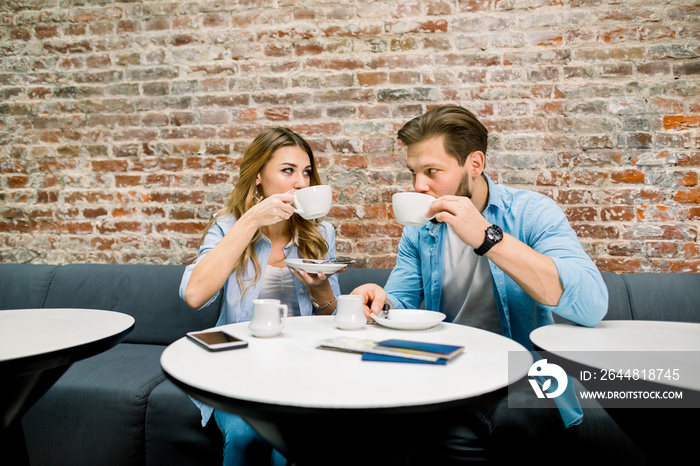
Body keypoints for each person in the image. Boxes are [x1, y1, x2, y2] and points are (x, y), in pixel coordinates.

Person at [351, 105, 622, 464]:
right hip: (445, 367)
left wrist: (487, 238)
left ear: (474, 164)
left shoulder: (533, 213)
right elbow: (402, 300)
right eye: (414, 172)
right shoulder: (420, 230)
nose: (419, 186)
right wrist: (380, 300)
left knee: (528, 422)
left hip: (522, 370)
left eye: (432, 171)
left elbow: (590, 305)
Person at [179, 127, 342, 466]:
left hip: (302, 366)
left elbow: (332, 320)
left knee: (291, 448)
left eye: (306, 172)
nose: (301, 183)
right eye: (287, 171)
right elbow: (194, 295)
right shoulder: (228, 226)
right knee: (246, 436)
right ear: (258, 177)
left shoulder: (320, 232)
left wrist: (320, 287)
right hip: (238, 368)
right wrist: (251, 221)